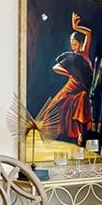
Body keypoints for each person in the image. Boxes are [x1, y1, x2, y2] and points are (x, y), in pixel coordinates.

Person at [35, 13, 95, 146]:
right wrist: (69, 73)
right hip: (72, 85)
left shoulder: (84, 53)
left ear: (80, 43)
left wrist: (76, 27)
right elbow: (55, 68)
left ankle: (80, 134)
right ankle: (52, 130)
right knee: (55, 104)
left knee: (82, 99)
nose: (73, 47)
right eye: (71, 44)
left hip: (83, 88)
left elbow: (89, 33)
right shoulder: (70, 57)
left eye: (75, 44)